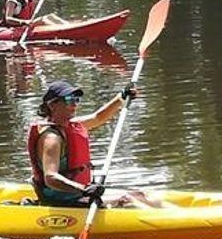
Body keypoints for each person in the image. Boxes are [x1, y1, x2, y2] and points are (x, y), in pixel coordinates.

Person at [26, 80, 164, 208]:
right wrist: (84, 189)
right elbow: (50, 178)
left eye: (76, 99)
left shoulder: (69, 126)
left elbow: (97, 118)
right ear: (52, 105)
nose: (74, 104)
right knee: (128, 200)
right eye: (69, 100)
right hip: (62, 200)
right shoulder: (51, 138)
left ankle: (180, 215)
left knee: (143, 195)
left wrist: (121, 97)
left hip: (77, 194)